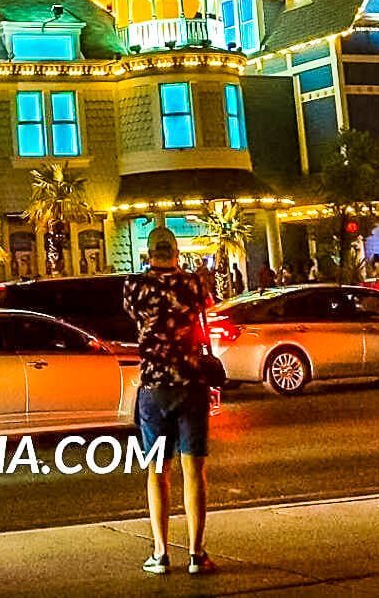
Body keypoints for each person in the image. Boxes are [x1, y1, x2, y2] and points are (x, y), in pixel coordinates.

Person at [122, 228, 215, 576]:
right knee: (194, 471)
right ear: (176, 253)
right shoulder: (192, 284)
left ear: (149, 254)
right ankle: (196, 552)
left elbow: (133, 315)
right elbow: (208, 304)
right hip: (191, 384)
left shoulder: (134, 286)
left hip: (154, 387)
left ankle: (160, 552)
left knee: (157, 471)